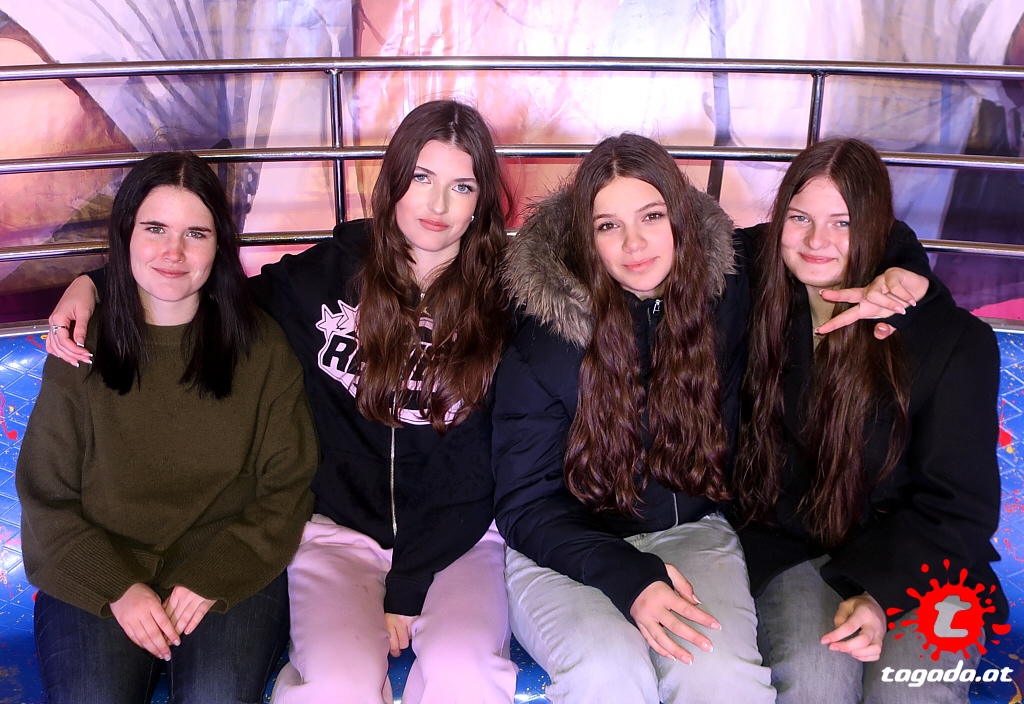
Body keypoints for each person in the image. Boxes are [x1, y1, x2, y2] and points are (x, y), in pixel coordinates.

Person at [46, 99, 518, 704]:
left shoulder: (509, 301)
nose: (438, 204)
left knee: (466, 674)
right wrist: (95, 284)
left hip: (460, 541)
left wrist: (408, 585)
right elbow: (205, 289)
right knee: (336, 687)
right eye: (422, 177)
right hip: (337, 535)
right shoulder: (324, 276)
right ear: (394, 179)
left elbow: (482, 458)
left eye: (462, 186)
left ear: (481, 200)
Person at [15, 151, 320, 704]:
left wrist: (216, 573)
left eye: (195, 234)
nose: (173, 252)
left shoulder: (262, 348)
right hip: (100, 567)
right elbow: (45, 495)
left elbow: (287, 487)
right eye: (155, 229)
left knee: (215, 695)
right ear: (126, 235)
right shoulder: (80, 347)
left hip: (227, 565)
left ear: (219, 245)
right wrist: (117, 588)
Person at [491, 132, 774, 704]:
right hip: (565, 551)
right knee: (609, 673)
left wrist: (906, 267)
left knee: (723, 678)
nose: (634, 242)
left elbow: (823, 233)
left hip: (692, 532)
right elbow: (525, 504)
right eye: (608, 225)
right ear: (585, 237)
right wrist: (628, 574)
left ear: (679, 219)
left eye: (651, 215)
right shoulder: (544, 337)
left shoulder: (728, 287)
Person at [732, 137, 1008, 703]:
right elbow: (679, 248)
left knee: (912, 693)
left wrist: (880, 594)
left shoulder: (953, 341)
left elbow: (959, 505)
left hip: (928, 559)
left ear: (877, 227)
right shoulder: (750, 300)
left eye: (845, 222)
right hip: (792, 550)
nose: (817, 241)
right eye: (800, 217)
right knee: (813, 680)